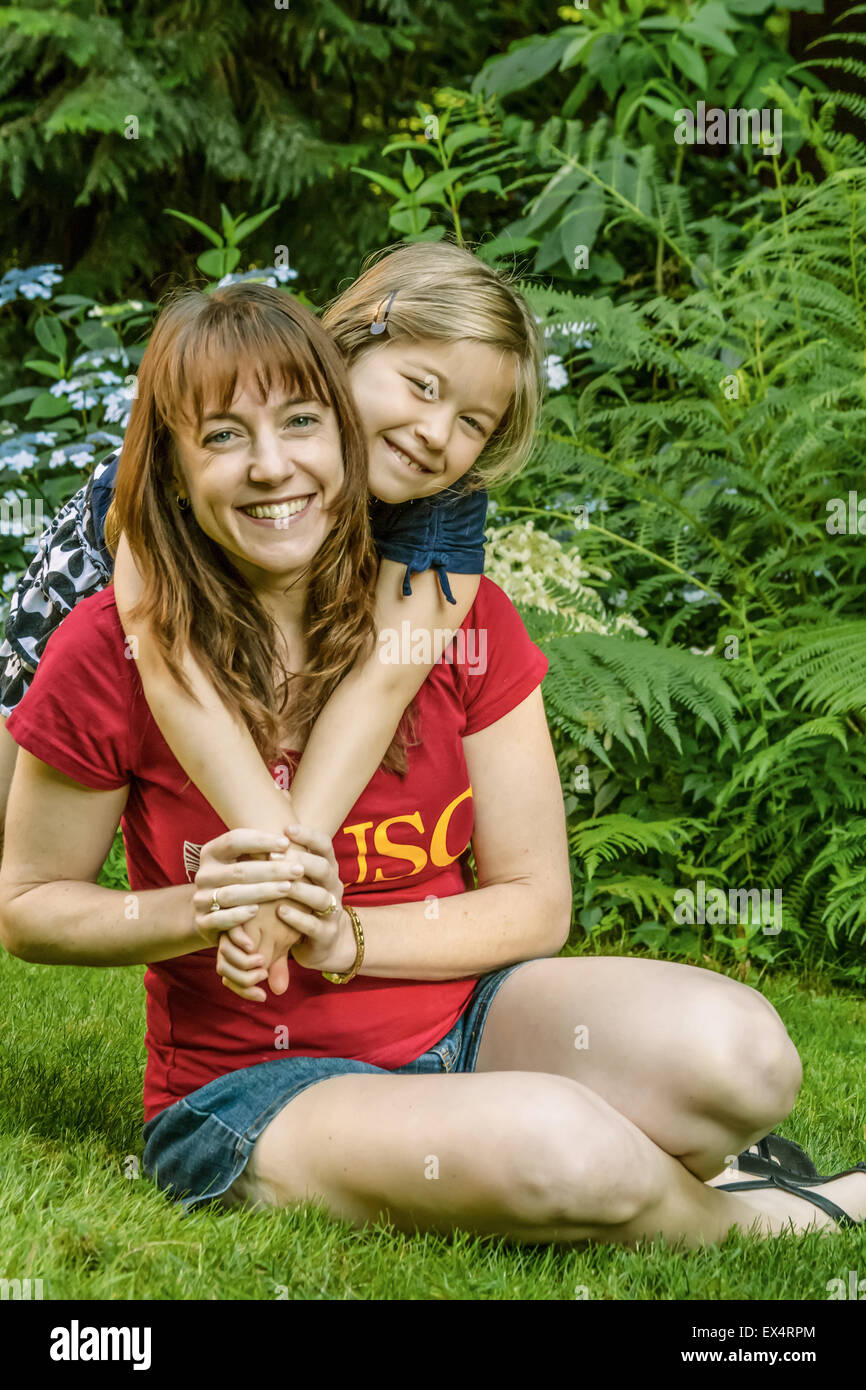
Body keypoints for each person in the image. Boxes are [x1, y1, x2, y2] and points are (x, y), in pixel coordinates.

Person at [0, 280, 864, 1245]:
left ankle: (584, 1153)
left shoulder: (453, 607)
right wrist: (210, 905)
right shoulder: (109, 638)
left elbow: (537, 902)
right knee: (563, 1150)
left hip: (470, 1022)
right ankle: (777, 1218)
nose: (274, 466)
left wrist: (347, 939)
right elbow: (30, 908)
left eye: (299, 425)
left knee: (747, 1057)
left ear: (337, 433)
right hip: (253, 1085)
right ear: (177, 462)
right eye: (225, 438)